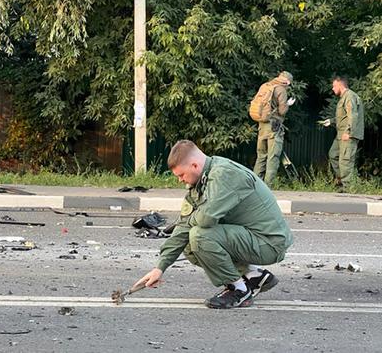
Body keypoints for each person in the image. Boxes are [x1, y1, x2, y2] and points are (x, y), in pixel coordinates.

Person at [134, 140, 293, 309]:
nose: (180, 180)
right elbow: (183, 226)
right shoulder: (201, 181)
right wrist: (160, 268)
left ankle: (239, 290)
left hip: (269, 243)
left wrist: (190, 221)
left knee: (199, 235)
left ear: (194, 165)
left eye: (181, 175)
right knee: (188, 241)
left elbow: (205, 219)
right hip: (250, 237)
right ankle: (253, 275)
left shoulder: (224, 175)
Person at [320, 76, 364, 190]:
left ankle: (348, 188)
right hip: (340, 135)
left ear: (340, 84)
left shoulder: (349, 96)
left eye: (334, 86)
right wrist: (331, 121)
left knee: (345, 160)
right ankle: (341, 180)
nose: (333, 89)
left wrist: (348, 132)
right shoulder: (344, 97)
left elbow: (352, 115)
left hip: (347, 135)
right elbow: (343, 116)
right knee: (333, 154)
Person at [253, 71, 296, 186]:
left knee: (261, 156)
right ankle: (268, 186)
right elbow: (282, 111)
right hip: (274, 126)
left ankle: (256, 185)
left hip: (262, 125)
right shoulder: (281, 90)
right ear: (287, 81)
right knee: (273, 156)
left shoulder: (266, 86)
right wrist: (287, 104)